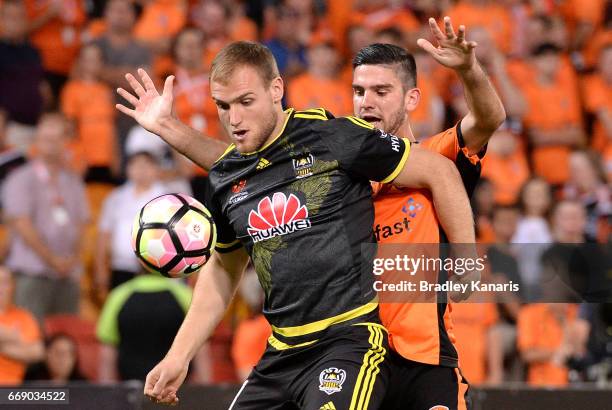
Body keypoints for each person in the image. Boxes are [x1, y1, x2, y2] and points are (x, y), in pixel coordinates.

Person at [117, 40, 476, 407]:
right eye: (222, 106)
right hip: (280, 354)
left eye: (245, 102)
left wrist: (466, 258)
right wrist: (179, 355)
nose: (234, 120)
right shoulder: (224, 177)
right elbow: (223, 268)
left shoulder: (333, 136)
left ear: (276, 90)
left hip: (348, 344)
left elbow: (440, 169)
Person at [2, 113, 90, 323]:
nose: (51, 144)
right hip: (33, 274)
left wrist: (73, 260)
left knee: (67, 338)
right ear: (37, 141)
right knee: (32, 337)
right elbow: (22, 224)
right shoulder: (20, 178)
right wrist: (52, 260)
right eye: (46, 138)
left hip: (67, 275)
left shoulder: (73, 180)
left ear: (66, 142)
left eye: (56, 138)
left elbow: (82, 223)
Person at [96, 270, 192, 382]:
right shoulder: (184, 294)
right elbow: (200, 349)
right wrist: (204, 394)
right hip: (176, 389)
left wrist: (109, 395)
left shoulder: (118, 295)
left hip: (131, 388)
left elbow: (107, 356)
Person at [94, 151, 167, 294]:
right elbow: (104, 234)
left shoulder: (166, 199)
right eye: (136, 165)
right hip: (120, 268)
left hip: (155, 270)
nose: (141, 170)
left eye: (147, 165)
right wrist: (100, 269)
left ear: (156, 170)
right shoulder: (115, 197)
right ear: (128, 169)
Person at [0, 266, 44, 385]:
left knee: (54, 397)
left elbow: (37, 352)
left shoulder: (24, 317)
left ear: (12, 286)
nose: (1, 288)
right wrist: (13, 336)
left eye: (4, 282)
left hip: (13, 391)